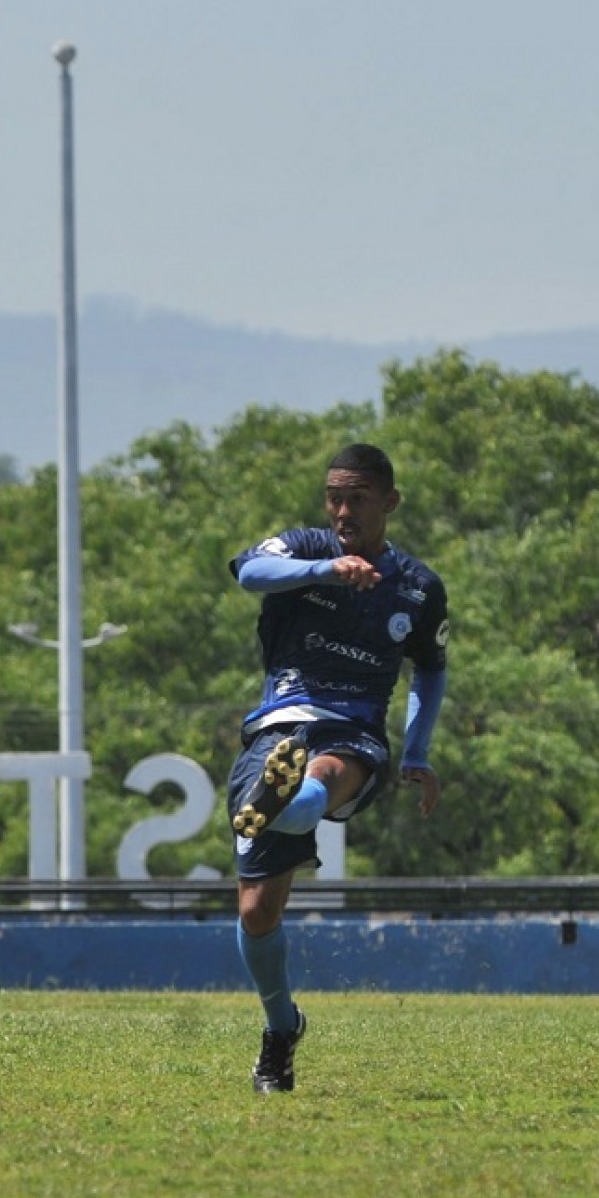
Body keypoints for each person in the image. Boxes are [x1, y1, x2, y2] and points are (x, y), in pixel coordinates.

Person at [225, 442, 448, 1093]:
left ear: (389, 502)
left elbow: (430, 670)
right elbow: (249, 572)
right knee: (256, 912)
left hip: (355, 733)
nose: (343, 510)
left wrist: (417, 751)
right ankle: (282, 1026)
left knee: (322, 771)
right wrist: (324, 570)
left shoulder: (418, 587)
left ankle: (285, 796)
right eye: (334, 498)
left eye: (357, 498)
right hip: (278, 725)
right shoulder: (303, 549)